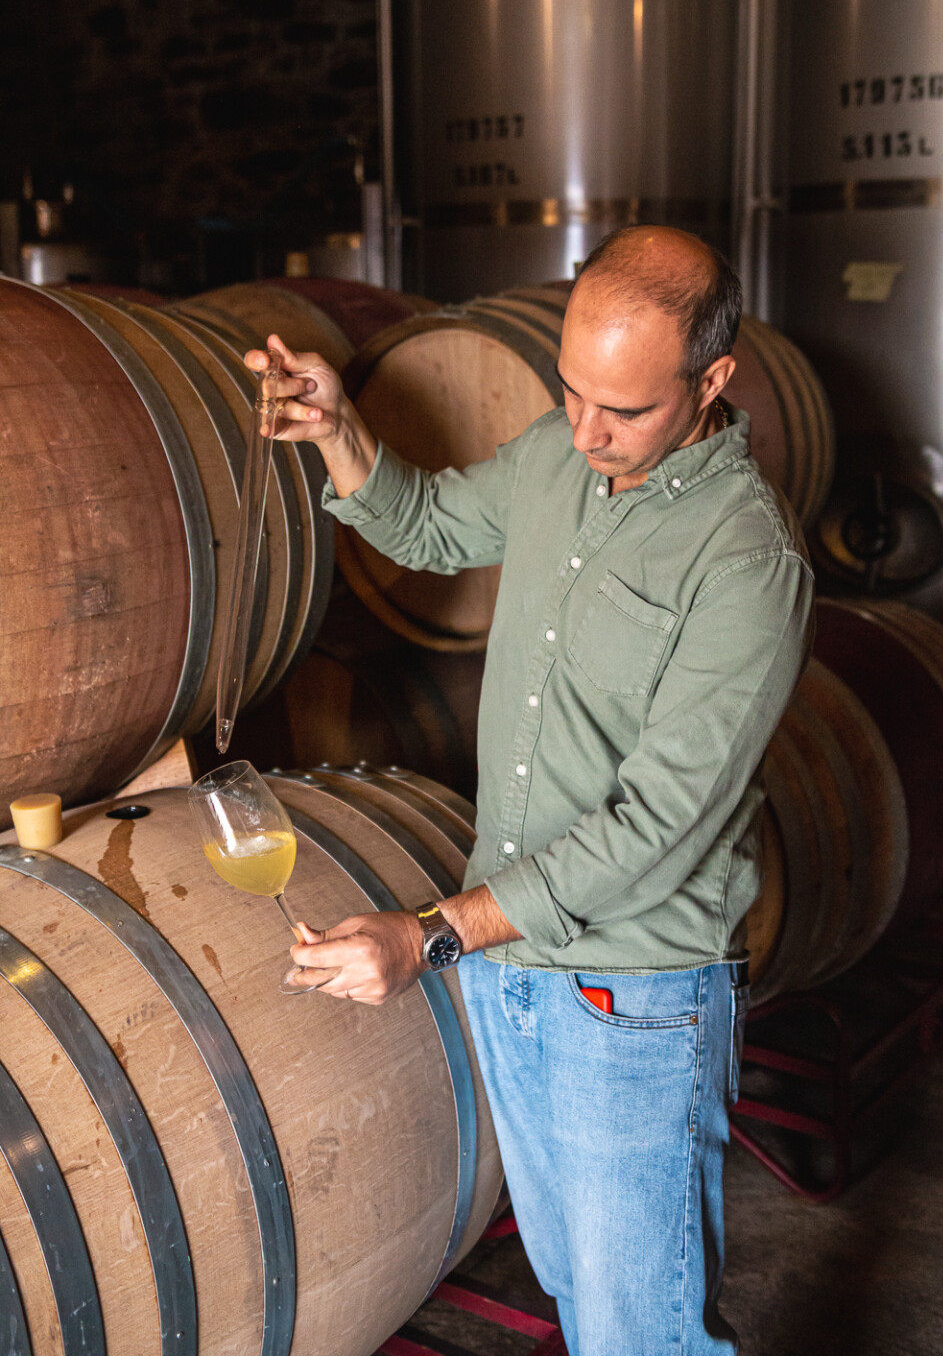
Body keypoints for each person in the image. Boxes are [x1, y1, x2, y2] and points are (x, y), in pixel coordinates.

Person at [245, 225, 814, 1356]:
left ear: (711, 382)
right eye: (570, 391)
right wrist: (339, 429)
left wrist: (431, 935)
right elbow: (425, 525)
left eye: (624, 410)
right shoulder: (560, 453)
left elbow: (656, 828)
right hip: (511, 967)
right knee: (577, 1294)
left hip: (631, 998)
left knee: (640, 1332)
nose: (586, 431)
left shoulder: (747, 563)